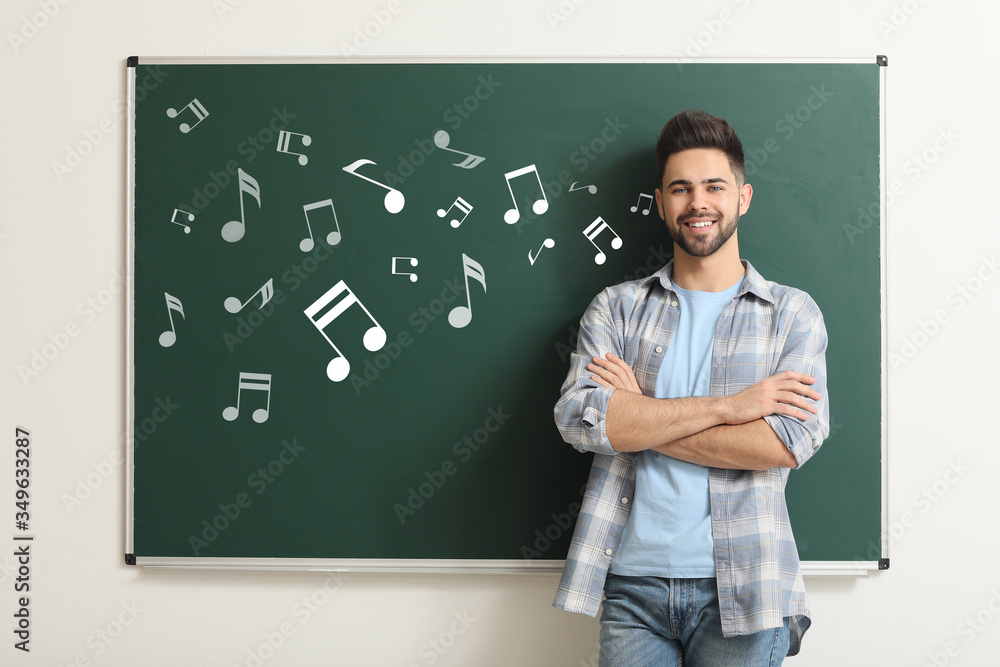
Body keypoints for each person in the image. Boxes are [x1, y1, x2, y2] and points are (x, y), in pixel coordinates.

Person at [552, 109, 830, 665]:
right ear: (661, 202)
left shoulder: (790, 314)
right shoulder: (617, 309)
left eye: (713, 187)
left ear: (743, 197)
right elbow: (582, 421)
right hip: (632, 586)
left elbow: (783, 444)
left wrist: (639, 418)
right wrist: (733, 408)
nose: (697, 202)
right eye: (680, 189)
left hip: (746, 587)